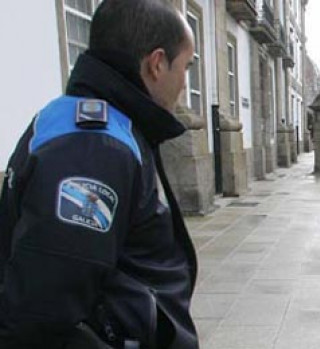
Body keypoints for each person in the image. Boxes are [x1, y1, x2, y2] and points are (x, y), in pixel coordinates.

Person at [0, 0, 199, 347]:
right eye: (185, 67)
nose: (184, 83)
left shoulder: (101, 126)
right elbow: (45, 316)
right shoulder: (93, 147)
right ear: (156, 64)